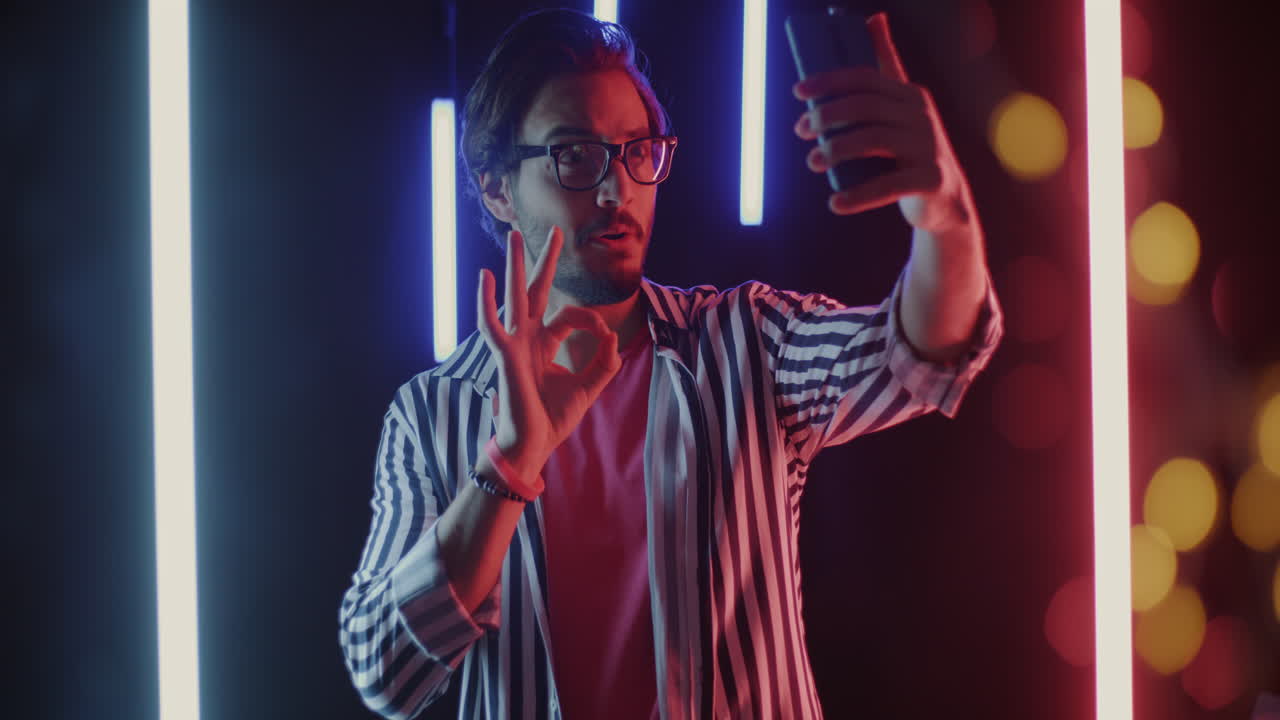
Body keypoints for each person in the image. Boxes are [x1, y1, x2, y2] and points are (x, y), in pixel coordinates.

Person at [339, 7, 1002, 719]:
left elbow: (916, 355)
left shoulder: (744, 342)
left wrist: (946, 219)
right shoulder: (432, 413)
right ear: (498, 187)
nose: (616, 190)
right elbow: (385, 672)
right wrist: (508, 464)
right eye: (574, 154)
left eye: (637, 151)